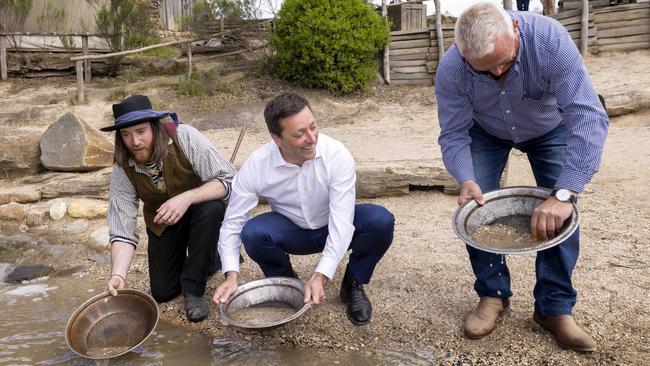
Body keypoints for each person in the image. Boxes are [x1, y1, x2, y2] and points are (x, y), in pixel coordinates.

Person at [435, 3, 608, 351]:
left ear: (515, 27)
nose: (498, 72)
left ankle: (554, 308)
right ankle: (492, 294)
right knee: (475, 207)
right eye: (485, 70)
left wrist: (564, 194)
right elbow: (454, 134)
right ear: (464, 54)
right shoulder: (451, 69)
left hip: (549, 127)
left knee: (563, 210)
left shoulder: (550, 41)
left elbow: (587, 116)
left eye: (505, 62)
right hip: (486, 131)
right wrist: (465, 178)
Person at [212, 92, 394, 325]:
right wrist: (231, 275)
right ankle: (289, 285)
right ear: (277, 139)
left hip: (332, 223)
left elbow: (341, 223)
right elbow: (233, 222)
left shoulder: (336, 154)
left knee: (381, 220)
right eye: (300, 133)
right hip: (292, 229)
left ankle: (353, 284)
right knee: (253, 232)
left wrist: (321, 276)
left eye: (313, 127)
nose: (312, 138)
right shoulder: (257, 164)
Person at [101, 95, 236, 322]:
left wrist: (187, 198)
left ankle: (194, 290)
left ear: (154, 127)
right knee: (163, 292)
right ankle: (209, 259)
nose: (134, 142)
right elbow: (122, 229)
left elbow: (229, 181)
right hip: (163, 223)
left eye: (141, 131)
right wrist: (118, 274)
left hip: (200, 213)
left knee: (212, 208)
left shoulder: (184, 136)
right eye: (126, 134)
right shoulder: (122, 169)